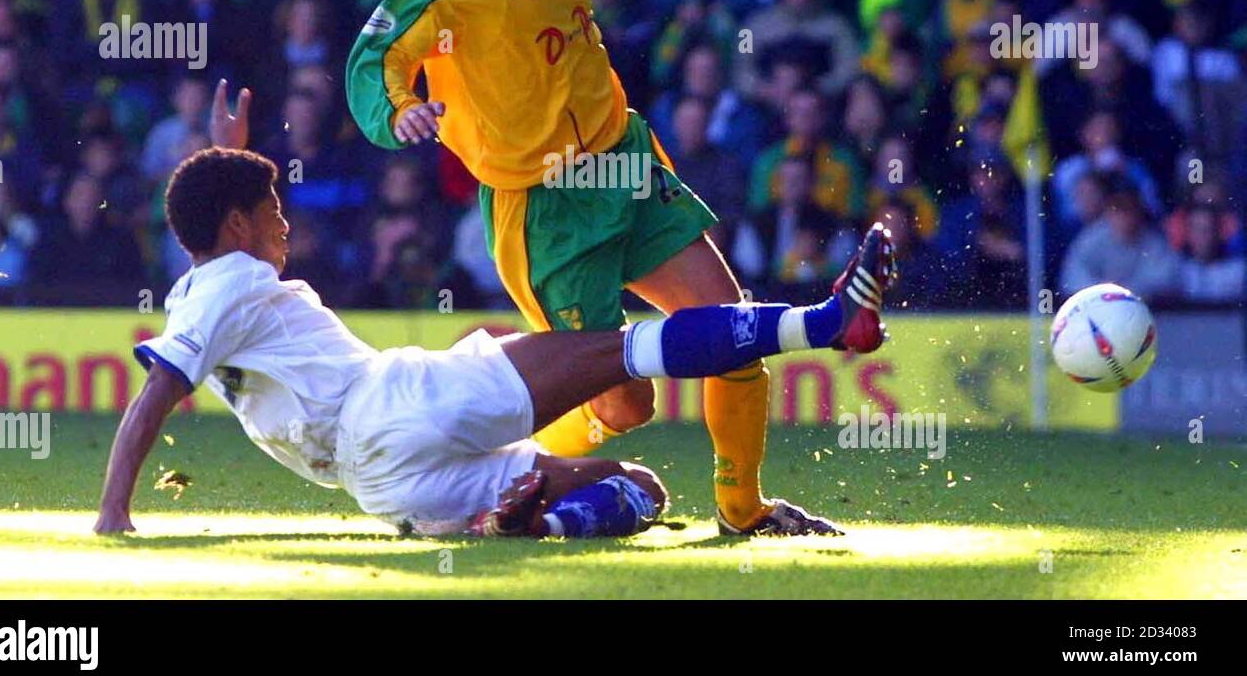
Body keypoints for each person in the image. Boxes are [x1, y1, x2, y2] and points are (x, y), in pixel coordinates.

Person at [345, 0, 881, 535]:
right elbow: (377, 51)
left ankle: (744, 511)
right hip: (546, 208)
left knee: (731, 333)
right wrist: (399, 107)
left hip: (623, 165)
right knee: (624, 405)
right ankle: (499, 485)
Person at [94, 82, 898, 539]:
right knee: (620, 350)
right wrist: (112, 513)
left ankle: (534, 526)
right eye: (270, 209)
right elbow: (157, 391)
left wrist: (230, 155)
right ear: (235, 227)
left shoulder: (203, 286)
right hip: (398, 401)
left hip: (383, 486)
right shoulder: (234, 278)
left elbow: (205, 272)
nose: (284, 222)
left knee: (640, 487)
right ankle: (827, 325)